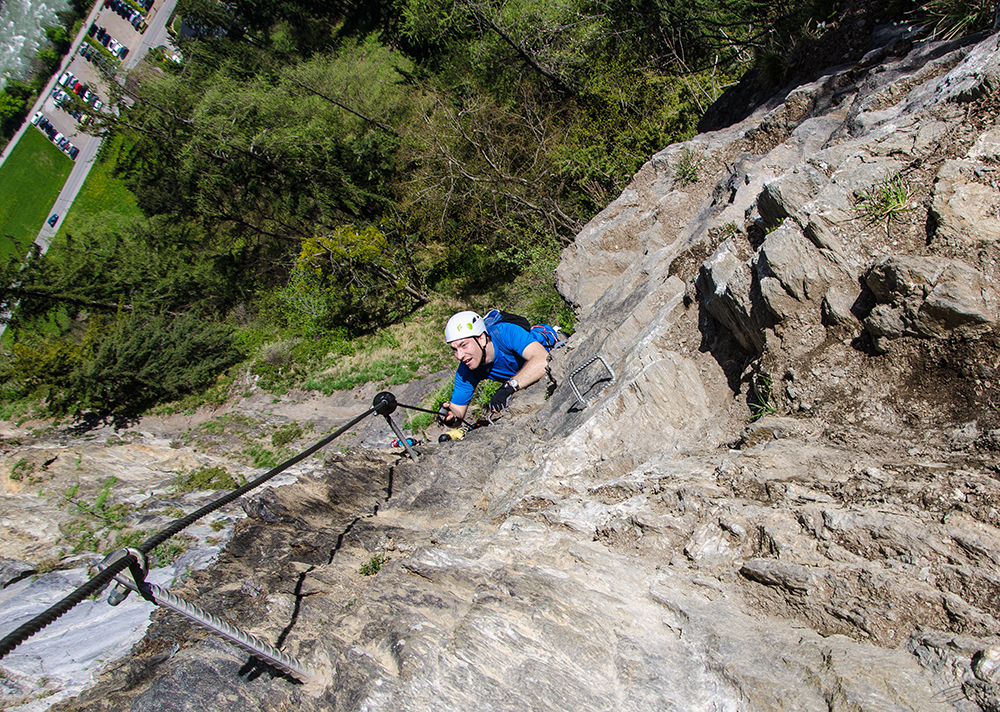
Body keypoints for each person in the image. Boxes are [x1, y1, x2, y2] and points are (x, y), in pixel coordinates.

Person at [439, 310, 552, 424]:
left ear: (481, 339)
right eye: (454, 349)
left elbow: (543, 359)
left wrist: (509, 387)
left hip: (555, 349)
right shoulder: (466, 369)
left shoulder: (505, 333)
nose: (460, 355)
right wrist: (450, 417)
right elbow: (458, 413)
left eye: (464, 345)